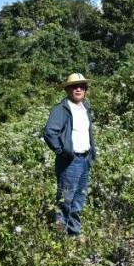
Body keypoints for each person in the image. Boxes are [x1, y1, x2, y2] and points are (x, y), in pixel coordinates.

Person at [43, 73, 97, 237]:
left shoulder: (85, 107)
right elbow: (49, 132)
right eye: (74, 86)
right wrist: (63, 151)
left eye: (81, 86)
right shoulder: (61, 109)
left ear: (85, 89)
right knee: (65, 200)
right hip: (70, 162)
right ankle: (60, 236)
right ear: (67, 90)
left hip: (84, 159)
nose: (78, 89)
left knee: (79, 199)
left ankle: (73, 233)